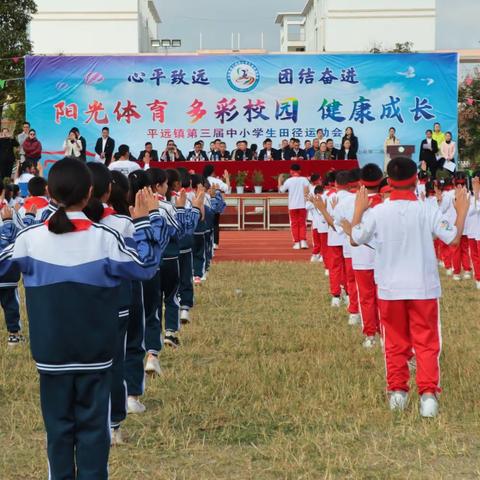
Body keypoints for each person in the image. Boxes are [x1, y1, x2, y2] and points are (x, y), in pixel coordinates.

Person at [0, 157, 166, 479]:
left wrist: (8, 224)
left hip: (51, 357)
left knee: (58, 435)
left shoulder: (29, 241)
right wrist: (147, 219)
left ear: (49, 192)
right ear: (89, 193)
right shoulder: (105, 239)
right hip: (96, 356)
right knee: (94, 436)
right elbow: (146, 266)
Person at [350, 156, 469, 417]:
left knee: (394, 341)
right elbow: (454, 239)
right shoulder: (427, 209)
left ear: (389, 182)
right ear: (415, 179)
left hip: (390, 290)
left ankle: (398, 393)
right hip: (423, 288)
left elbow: (356, 237)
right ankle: (428, 396)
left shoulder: (378, 212)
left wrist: (359, 209)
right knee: (426, 342)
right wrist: (461, 212)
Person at [339, 163, 384, 348]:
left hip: (361, 258)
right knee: (383, 298)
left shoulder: (349, 201)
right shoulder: (386, 203)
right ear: (380, 181)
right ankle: (384, 334)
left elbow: (339, 222)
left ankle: (370, 335)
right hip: (383, 259)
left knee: (366, 297)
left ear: (360, 182)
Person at [278, 164, 310, 249]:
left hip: (292, 205)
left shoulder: (289, 180)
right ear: (299, 171)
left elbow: (281, 190)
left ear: (291, 171)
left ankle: (297, 242)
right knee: (303, 223)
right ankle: (303, 241)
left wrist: (279, 181)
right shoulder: (304, 180)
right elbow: (308, 190)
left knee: (294, 224)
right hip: (303, 205)